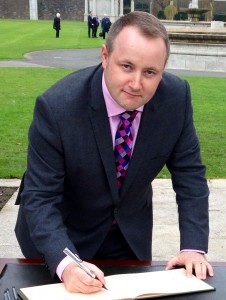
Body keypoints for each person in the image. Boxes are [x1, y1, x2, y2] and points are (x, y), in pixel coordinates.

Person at [15, 11, 214, 294]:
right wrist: (67, 264)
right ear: (105, 56)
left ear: (163, 69)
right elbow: (40, 197)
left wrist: (193, 247)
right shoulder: (57, 107)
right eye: (126, 66)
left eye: (150, 72)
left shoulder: (176, 99)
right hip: (59, 237)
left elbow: (191, 177)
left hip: (128, 236)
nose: (136, 83)